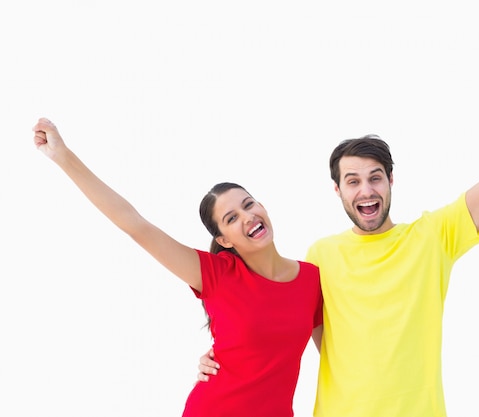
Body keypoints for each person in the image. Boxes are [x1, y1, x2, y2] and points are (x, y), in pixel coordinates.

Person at [197, 55, 479, 416]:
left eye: (375, 177)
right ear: (338, 191)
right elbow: (277, 326)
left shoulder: (434, 235)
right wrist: (222, 358)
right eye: (353, 181)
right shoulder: (321, 256)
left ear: (390, 181)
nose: (366, 190)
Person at [31, 118, 324, 417]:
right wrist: (63, 157)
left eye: (249, 205)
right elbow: (136, 225)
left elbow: (334, 357)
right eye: (231, 218)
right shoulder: (215, 274)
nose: (247, 217)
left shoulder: (312, 279)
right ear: (223, 239)